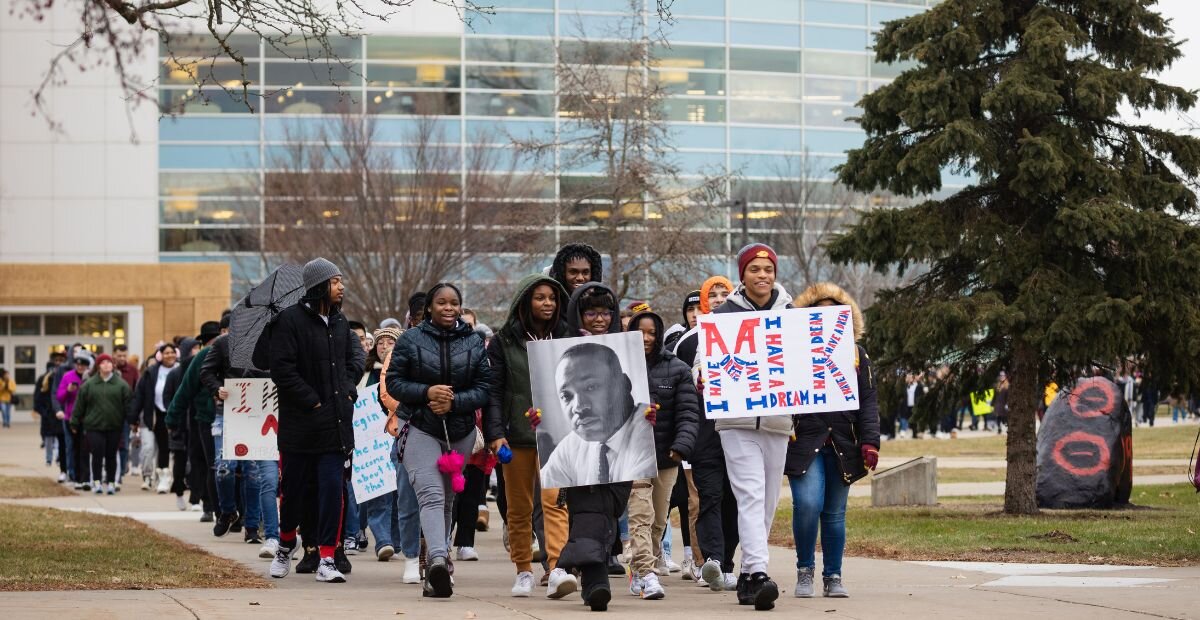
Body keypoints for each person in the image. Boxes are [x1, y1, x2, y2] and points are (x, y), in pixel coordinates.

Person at [540, 281, 652, 611]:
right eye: (590, 312)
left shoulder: (627, 348)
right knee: (588, 509)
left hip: (626, 452)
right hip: (582, 458)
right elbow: (548, 474)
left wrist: (652, 412)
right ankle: (596, 583)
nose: (599, 318)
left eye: (606, 312)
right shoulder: (559, 345)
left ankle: (589, 576)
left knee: (606, 508)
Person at [385, 283, 492, 598]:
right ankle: (438, 561)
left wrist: (455, 401)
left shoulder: (473, 342)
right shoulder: (410, 340)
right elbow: (394, 382)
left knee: (447, 498)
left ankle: (438, 567)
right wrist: (427, 393)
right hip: (420, 425)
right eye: (441, 303)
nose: (448, 308)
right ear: (429, 308)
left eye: (454, 303)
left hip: (460, 430)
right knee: (431, 494)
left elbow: (485, 387)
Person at [268, 258, 365, 584]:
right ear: (320, 285)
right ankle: (285, 544)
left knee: (331, 492)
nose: (342, 287)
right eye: (336, 281)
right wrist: (312, 399)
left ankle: (327, 557)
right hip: (299, 426)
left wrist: (349, 388)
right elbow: (281, 369)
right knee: (293, 491)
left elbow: (352, 361)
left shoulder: (340, 323)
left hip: (335, 425)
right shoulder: (289, 321)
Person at [710, 243, 794, 611]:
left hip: (778, 422)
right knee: (750, 494)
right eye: (755, 269)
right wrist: (706, 376)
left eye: (768, 269)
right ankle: (759, 573)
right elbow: (705, 363)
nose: (763, 275)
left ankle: (746, 576)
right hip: (737, 422)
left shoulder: (792, 315)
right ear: (742, 274)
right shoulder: (724, 315)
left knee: (768, 502)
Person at [785, 282, 880, 600]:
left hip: (843, 443)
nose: (826, 320)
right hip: (805, 441)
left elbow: (868, 401)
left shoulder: (857, 354)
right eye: (818, 315)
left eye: (833, 315)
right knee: (808, 505)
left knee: (835, 514)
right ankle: (805, 570)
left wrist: (871, 441)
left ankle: (833, 575)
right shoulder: (793, 353)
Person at [483, 274, 575, 599]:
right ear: (526, 301)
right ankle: (523, 569)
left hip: (558, 436)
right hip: (516, 437)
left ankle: (556, 569)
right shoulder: (502, 343)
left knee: (555, 503)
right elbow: (493, 392)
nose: (547, 303)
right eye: (540, 297)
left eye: (552, 297)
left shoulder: (567, 337)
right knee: (519, 508)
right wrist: (495, 434)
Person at [624, 307, 699, 600]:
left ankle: (643, 567)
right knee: (640, 514)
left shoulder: (677, 368)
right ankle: (647, 573)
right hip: (632, 455)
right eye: (640, 332)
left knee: (657, 519)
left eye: (652, 333)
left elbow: (689, 414)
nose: (646, 338)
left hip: (666, 455)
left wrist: (681, 447)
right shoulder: (621, 365)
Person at [70, 354, 134, 495]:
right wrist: (74, 422)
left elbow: (129, 406)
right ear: (98, 366)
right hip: (94, 426)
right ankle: (97, 482)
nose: (106, 365)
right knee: (97, 455)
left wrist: (133, 422)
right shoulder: (89, 385)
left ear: (113, 366)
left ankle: (111, 482)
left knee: (111, 455)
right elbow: (79, 405)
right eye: (103, 363)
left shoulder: (121, 385)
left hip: (114, 426)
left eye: (109, 362)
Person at [130, 344, 177, 492]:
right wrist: (134, 418)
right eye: (166, 353)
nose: (169, 355)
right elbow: (139, 396)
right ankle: (149, 475)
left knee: (165, 448)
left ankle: (163, 479)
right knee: (149, 448)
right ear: (160, 355)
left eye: (172, 352)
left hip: (171, 414)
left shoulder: (180, 370)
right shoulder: (151, 372)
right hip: (154, 414)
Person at [56, 350, 94, 489]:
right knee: (72, 448)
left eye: (83, 364)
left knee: (84, 448)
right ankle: (74, 475)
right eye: (78, 364)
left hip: (87, 417)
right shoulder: (68, 376)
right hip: (70, 418)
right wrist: (68, 390)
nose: (80, 367)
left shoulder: (90, 377)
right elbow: (60, 397)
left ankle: (85, 477)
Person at [34, 361, 67, 479]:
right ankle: (49, 458)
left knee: (61, 440)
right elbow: (38, 398)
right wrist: (44, 412)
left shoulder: (63, 379)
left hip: (60, 414)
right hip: (49, 415)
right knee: (48, 438)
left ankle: (58, 458)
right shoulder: (44, 380)